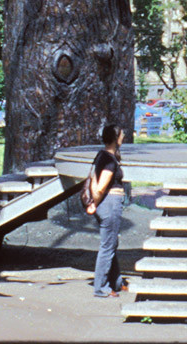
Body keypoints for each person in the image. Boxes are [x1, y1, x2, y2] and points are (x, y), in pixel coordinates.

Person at [84, 122, 129, 298]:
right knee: (107, 246)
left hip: (106, 203)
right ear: (115, 138)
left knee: (111, 243)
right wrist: (94, 200)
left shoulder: (101, 155)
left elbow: (92, 176)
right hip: (110, 203)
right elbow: (100, 187)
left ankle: (116, 282)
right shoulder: (110, 160)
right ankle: (101, 287)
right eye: (121, 135)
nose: (123, 137)